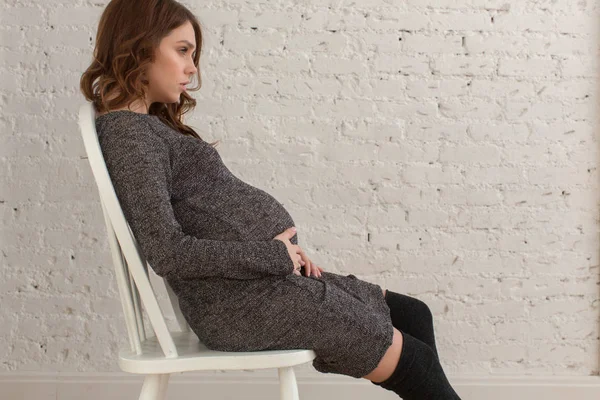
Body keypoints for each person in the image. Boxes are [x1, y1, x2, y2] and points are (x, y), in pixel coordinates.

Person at [80, 1, 462, 398]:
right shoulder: (129, 138)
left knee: (414, 314)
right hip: (238, 305)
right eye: (182, 50)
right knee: (417, 364)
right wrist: (274, 255)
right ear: (140, 47)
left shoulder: (146, 128)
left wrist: (283, 256)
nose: (193, 68)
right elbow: (167, 252)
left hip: (260, 285)